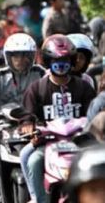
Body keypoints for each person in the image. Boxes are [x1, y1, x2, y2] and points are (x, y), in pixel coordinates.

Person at [19, 34, 96, 203]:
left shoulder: (84, 87)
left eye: (66, 61)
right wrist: (27, 125)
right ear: (48, 62)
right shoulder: (37, 88)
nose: (61, 66)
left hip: (79, 141)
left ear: (72, 62)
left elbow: (94, 114)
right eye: (56, 61)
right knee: (31, 160)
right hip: (47, 143)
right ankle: (38, 198)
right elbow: (27, 114)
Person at [0, 33, 46, 203]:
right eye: (15, 55)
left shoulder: (41, 73)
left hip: (35, 125)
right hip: (8, 126)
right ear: (8, 56)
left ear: (32, 56)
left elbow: (50, 92)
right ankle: (4, 188)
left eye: (24, 55)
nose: (20, 60)